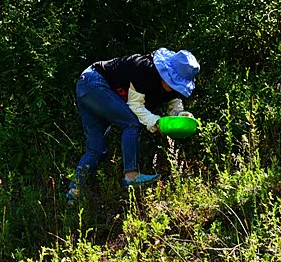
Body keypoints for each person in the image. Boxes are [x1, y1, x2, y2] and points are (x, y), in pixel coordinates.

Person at [67, 47, 200, 201]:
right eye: (173, 81)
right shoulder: (144, 70)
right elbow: (135, 106)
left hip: (87, 86)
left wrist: (182, 116)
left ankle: (74, 192)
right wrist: (156, 122)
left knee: (97, 149)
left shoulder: (173, 90)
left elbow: (175, 106)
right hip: (94, 83)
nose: (174, 87)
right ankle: (131, 176)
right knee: (131, 123)